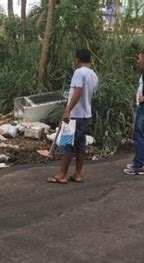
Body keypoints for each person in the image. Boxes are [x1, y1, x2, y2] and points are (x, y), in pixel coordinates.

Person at [48, 48, 99, 184]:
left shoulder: (79, 72)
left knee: (66, 143)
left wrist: (67, 110)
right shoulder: (93, 75)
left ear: (77, 60)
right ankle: (77, 174)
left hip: (75, 115)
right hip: (86, 115)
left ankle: (62, 175)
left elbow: (77, 92)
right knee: (80, 145)